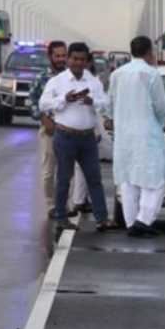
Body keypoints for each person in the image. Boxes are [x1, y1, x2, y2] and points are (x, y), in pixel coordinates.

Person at [39, 42, 116, 232]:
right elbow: (43, 104)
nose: (78, 63)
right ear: (68, 59)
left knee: (94, 178)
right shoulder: (58, 81)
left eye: (82, 60)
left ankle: (102, 218)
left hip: (88, 138)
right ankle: (61, 218)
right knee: (64, 178)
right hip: (65, 135)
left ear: (87, 61)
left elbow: (106, 103)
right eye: (74, 59)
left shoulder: (93, 81)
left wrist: (93, 101)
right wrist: (65, 99)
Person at [109, 36, 165, 237]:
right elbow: (161, 104)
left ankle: (132, 223)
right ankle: (143, 221)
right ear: (149, 52)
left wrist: (109, 118)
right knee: (155, 179)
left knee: (128, 179)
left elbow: (110, 101)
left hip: (124, 135)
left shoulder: (117, 74)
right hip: (147, 134)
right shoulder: (151, 74)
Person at [36, 41, 89, 218]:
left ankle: (64, 205)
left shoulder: (74, 77)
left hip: (70, 131)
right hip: (50, 129)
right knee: (49, 171)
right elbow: (33, 102)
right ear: (50, 57)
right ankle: (51, 205)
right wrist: (45, 120)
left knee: (67, 171)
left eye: (63, 55)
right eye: (57, 55)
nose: (60, 59)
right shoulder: (43, 78)